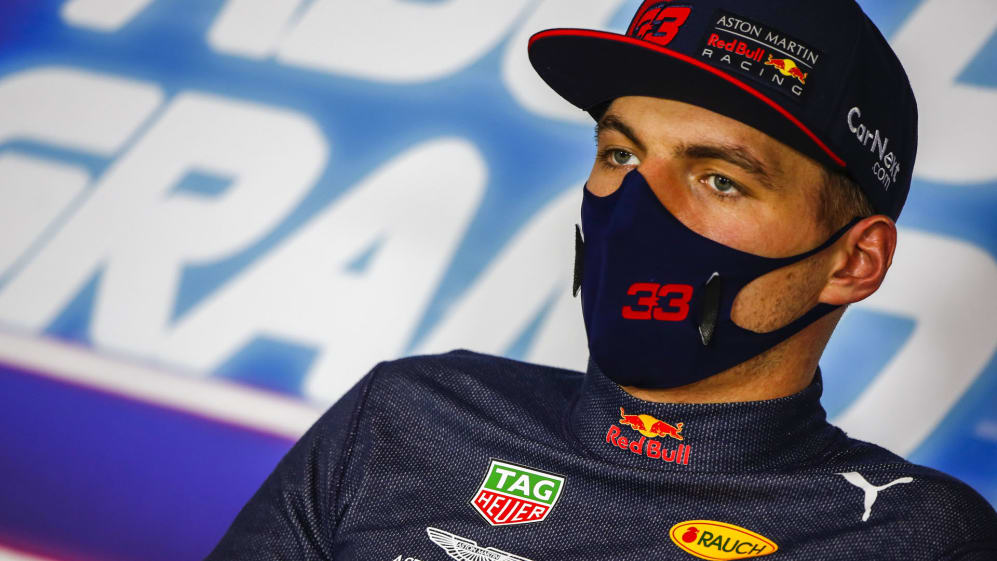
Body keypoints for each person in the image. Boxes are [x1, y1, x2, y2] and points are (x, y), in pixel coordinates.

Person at [204, 1, 997, 559]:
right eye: (620, 154)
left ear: (852, 261)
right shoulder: (407, 415)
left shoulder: (910, 534)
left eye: (720, 179)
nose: (636, 206)